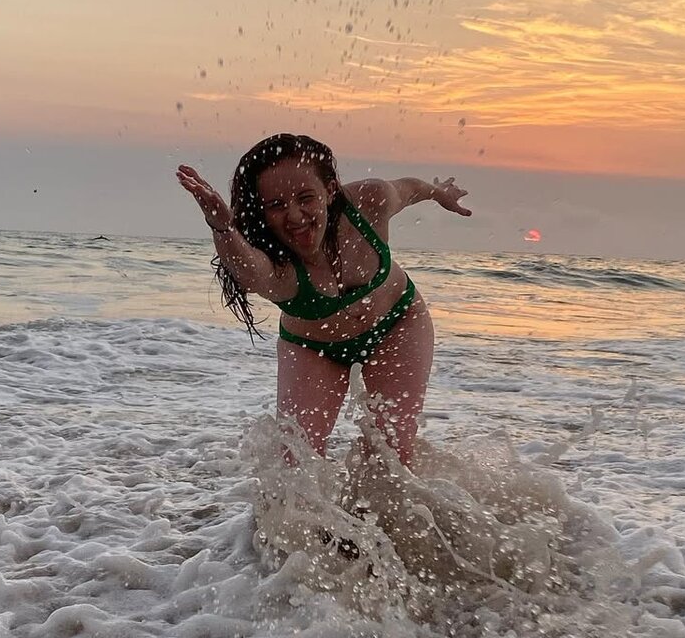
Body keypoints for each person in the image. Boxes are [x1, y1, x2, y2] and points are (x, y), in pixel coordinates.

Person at [176, 133, 471, 466]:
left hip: (397, 325)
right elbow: (249, 272)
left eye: (305, 198)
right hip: (313, 348)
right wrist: (222, 227)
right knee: (296, 463)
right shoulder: (276, 265)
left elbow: (410, 189)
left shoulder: (370, 200)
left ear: (329, 190)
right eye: (276, 205)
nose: (295, 216)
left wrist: (438, 193)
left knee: (391, 459)